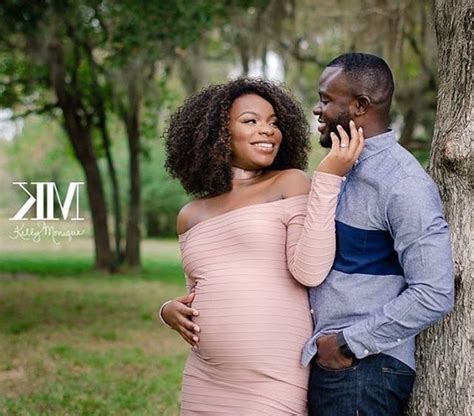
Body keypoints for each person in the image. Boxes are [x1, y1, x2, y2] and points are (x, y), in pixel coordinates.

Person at [160, 78, 364, 415]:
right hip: (205, 378)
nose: (267, 130)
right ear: (217, 133)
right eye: (250, 121)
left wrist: (328, 177)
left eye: (273, 122)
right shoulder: (191, 214)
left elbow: (310, 271)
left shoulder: (289, 183)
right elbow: (196, 292)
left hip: (271, 380)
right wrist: (168, 310)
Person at [304, 53, 454, 415]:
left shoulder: (403, 184)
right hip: (332, 366)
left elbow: (434, 293)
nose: (317, 109)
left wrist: (345, 345)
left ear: (360, 106)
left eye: (326, 100)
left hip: (363, 370)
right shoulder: (337, 170)